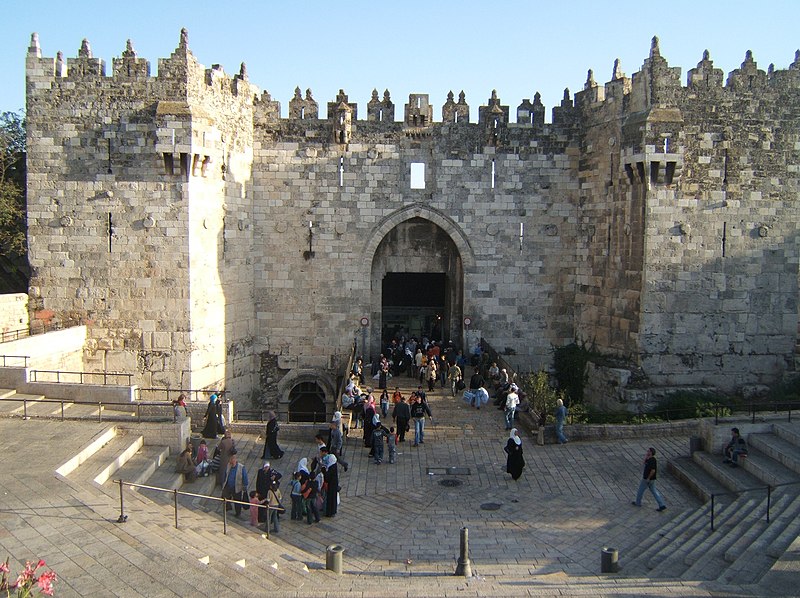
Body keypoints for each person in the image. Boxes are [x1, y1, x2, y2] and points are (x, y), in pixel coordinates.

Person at [632, 447, 667, 511]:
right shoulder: (651, 459)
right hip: (652, 480)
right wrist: (646, 456)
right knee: (654, 491)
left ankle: (638, 502)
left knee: (640, 491)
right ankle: (661, 505)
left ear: (651, 452)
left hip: (647, 479)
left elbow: (653, 470)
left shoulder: (652, 461)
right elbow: (643, 463)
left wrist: (648, 478)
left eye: (648, 451)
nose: (647, 452)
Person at [221, 450, 249, 518]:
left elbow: (244, 477)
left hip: (237, 487)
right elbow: (225, 474)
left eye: (231, 460)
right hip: (228, 485)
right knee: (225, 497)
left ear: (234, 460)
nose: (230, 461)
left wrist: (245, 485)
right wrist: (223, 482)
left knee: (237, 501)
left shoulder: (241, 467)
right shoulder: (228, 465)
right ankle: (228, 508)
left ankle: (238, 512)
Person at [321, 449, 339, 517]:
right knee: (332, 499)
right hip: (333, 485)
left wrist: (324, 471)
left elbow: (328, 477)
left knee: (330, 499)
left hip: (332, 486)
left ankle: (330, 512)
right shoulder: (333, 465)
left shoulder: (331, 467)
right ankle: (332, 511)